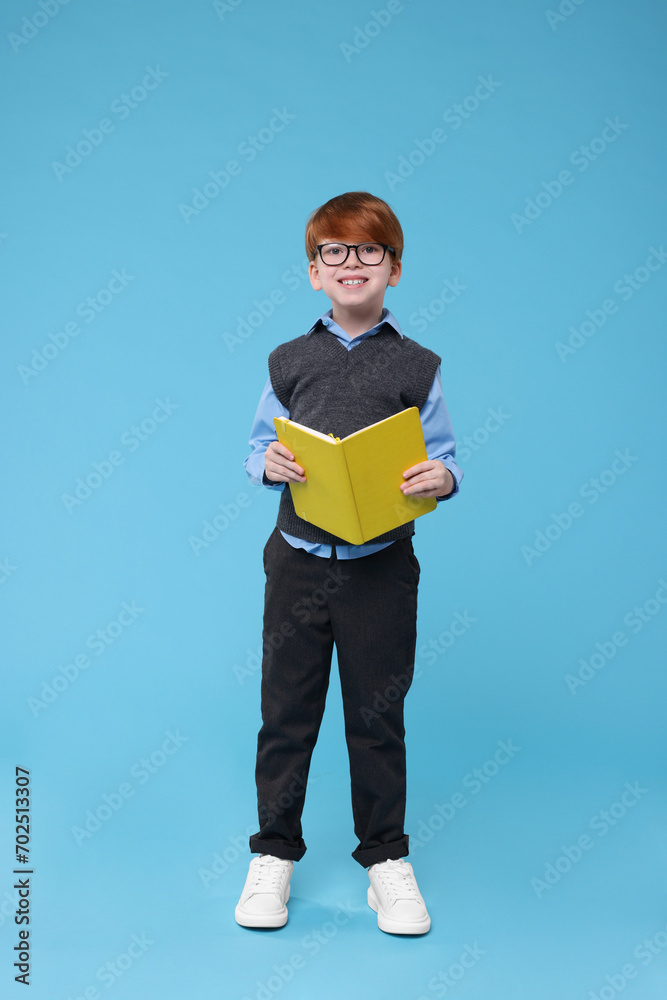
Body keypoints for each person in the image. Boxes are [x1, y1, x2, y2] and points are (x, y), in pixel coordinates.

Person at [235, 191, 463, 935]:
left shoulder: (417, 366)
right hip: (297, 561)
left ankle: (385, 861)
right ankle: (273, 855)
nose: (351, 263)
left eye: (368, 251)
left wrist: (444, 478)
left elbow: (445, 457)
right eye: (335, 251)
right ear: (313, 273)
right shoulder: (288, 359)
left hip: (382, 568)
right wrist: (267, 463)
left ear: (393, 269)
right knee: (286, 713)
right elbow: (256, 448)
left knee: (376, 715)